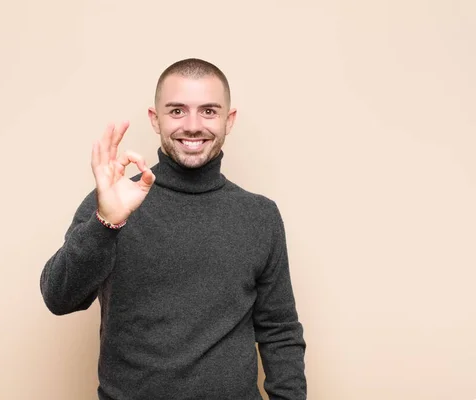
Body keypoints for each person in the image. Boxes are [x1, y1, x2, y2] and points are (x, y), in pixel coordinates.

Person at [40, 58, 307, 399]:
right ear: (155, 119)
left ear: (229, 119)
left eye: (209, 111)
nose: (193, 126)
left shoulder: (259, 215)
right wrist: (105, 224)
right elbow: (59, 298)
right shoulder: (114, 203)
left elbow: (280, 331)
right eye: (177, 111)